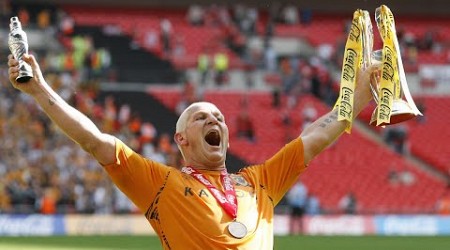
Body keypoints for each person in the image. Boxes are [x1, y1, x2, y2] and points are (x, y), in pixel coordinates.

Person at [7, 53, 379, 249]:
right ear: (182, 139)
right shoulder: (160, 184)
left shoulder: (259, 181)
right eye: (201, 118)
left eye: (218, 117)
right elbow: (95, 140)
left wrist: (360, 93)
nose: (214, 120)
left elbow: (316, 135)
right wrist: (40, 90)